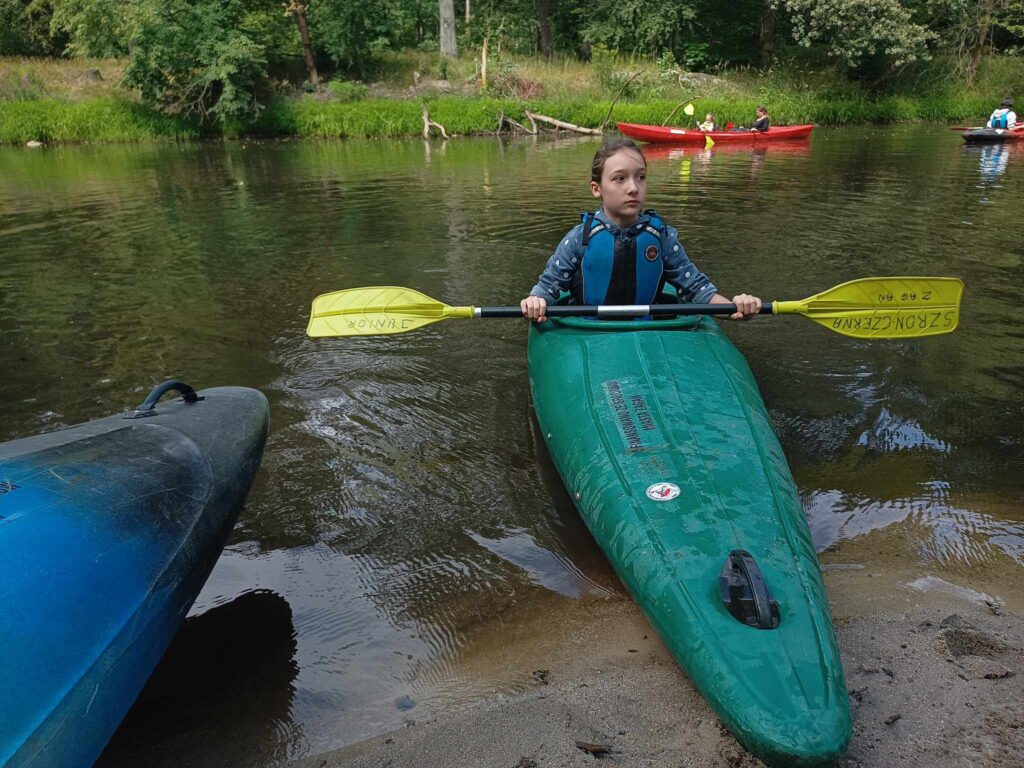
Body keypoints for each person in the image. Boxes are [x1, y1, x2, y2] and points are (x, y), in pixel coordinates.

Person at [520, 138, 761, 323]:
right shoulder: (579, 238)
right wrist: (535, 302)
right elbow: (547, 287)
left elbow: (698, 290)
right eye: (620, 179)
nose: (634, 188)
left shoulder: (661, 238)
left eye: (641, 177)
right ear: (597, 189)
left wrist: (736, 307)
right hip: (588, 329)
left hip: (647, 330)